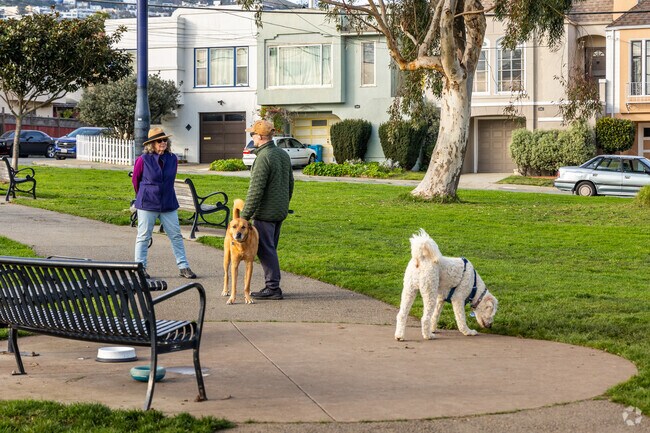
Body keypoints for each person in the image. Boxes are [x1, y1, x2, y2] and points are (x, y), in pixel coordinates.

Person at [132, 127, 196, 279]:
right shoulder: (143, 160)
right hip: (148, 202)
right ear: (152, 144)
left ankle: (183, 267)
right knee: (143, 236)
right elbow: (136, 180)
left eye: (165, 140)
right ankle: (140, 268)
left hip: (168, 202)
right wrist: (143, 195)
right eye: (159, 140)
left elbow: (170, 179)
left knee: (176, 236)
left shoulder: (172, 159)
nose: (163, 143)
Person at [242, 120, 294, 300]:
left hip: (266, 213)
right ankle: (272, 285)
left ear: (260, 137)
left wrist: (244, 217)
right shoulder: (282, 154)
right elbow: (290, 184)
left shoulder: (263, 158)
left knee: (266, 250)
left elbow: (255, 191)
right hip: (279, 211)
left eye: (253, 135)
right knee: (271, 248)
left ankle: (273, 287)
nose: (252, 138)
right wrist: (284, 204)